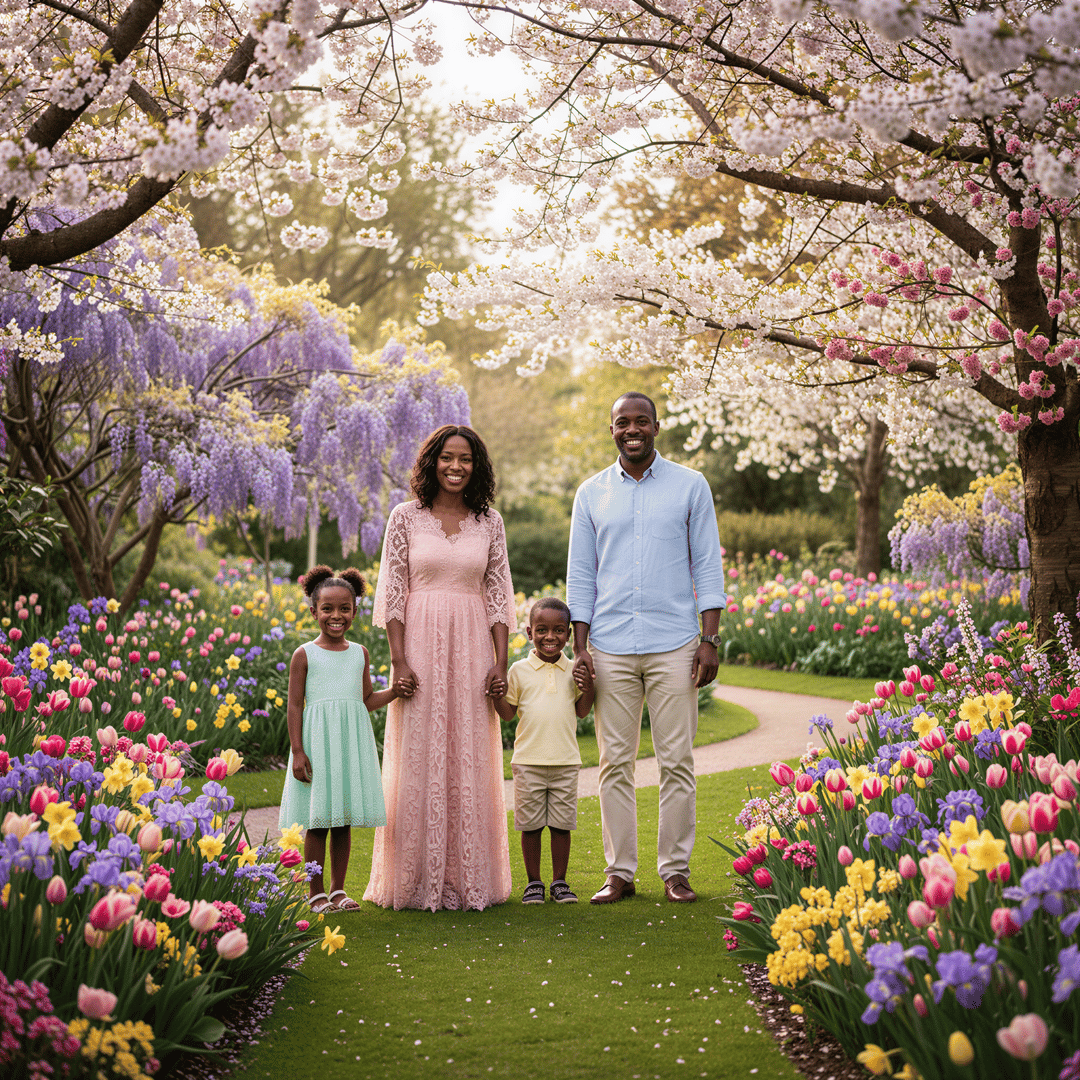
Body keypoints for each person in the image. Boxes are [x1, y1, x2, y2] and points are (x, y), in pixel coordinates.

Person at [567, 392, 725, 905]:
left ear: (656, 426)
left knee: (677, 760)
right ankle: (620, 873)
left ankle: (675, 871)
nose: (631, 429)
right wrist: (582, 647)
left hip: (675, 644)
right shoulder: (591, 494)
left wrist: (709, 639)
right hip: (610, 645)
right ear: (611, 429)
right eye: (621, 422)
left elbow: (707, 564)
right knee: (615, 762)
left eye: (640, 421)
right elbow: (580, 576)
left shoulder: (690, 485)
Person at [364, 425, 516, 911]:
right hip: (421, 645)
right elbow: (392, 593)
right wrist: (399, 658)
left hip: (473, 644)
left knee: (469, 749)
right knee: (421, 752)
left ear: (477, 466)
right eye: (447, 458)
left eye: (466, 459)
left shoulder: (489, 521)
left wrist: (500, 661)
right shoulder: (405, 518)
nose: (456, 466)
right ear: (432, 462)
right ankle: (413, 878)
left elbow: (497, 595)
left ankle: (470, 874)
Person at [280, 566, 396, 913]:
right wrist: (298, 751)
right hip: (317, 745)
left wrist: (396, 692)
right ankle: (315, 892)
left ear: (355, 612)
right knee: (318, 821)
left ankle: (338, 890)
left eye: (344, 608)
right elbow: (295, 704)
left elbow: (365, 699)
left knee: (342, 818)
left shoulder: (359, 653)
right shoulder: (304, 654)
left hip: (346, 746)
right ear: (313, 611)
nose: (336, 615)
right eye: (327, 608)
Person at [493, 597, 595, 905]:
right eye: (542, 630)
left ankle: (560, 883)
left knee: (562, 826)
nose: (550, 637)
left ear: (568, 635)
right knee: (532, 826)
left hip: (565, 761)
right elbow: (508, 714)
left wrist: (589, 685)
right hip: (528, 762)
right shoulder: (519, 670)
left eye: (558, 631)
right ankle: (534, 883)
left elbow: (582, 711)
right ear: (528, 631)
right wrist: (496, 695)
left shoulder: (573, 669)